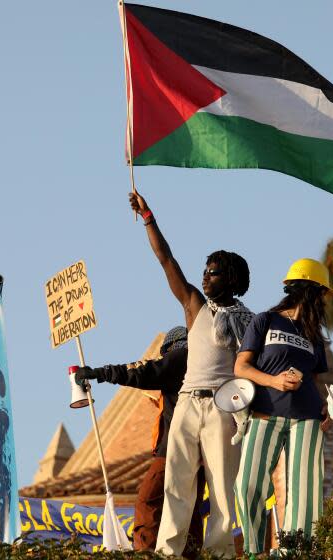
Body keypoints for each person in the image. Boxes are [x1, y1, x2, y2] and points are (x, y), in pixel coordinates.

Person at [128, 191, 253, 558]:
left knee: (221, 486)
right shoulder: (194, 306)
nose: (205, 276)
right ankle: (168, 551)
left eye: (212, 272)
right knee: (176, 483)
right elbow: (166, 259)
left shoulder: (250, 322)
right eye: (205, 270)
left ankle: (219, 553)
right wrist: (149, 216)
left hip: (222, 407)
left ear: (230, 279)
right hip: (186, 402)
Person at [72, 327, 205, 557]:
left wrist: (100, 374)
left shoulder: (180, 357)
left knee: (148, 499)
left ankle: (146, 552)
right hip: (201, 453)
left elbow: (142, 372)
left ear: (170, 348)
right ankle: (190, 553)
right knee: (189, 508)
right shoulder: (205, 365)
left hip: (176, 451)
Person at [233, 258, 331, 554]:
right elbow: (241, 367)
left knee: (305, 495)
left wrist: (326, 405)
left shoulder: (313, 336)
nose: (324, 302)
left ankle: (296, 552)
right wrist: (274, 381)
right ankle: (254, 550)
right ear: (310, 291)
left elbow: (315, 378)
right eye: (322, 295)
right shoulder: (265, 320)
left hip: (306, 419)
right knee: (247, 485)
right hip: (265, 413)